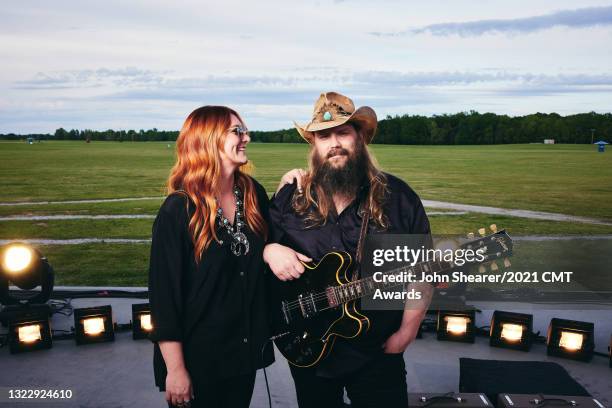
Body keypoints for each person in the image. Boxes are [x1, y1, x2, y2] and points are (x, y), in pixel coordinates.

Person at [264, 92, 433, 408]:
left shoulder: (398, 199)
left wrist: (405, 335)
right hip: (308, 348)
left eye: (343, 132)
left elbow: (421, 276)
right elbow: (257, 249)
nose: (334, 143)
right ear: (314, 144)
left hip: (378, 350)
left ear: (360, 137)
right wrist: (269, 249)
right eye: (324, 135)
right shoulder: (291, 197)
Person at [148, 106, 274, 408]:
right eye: (237, 131)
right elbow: (164, 300)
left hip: (242, 356)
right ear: (209, 139)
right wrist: (176, 370)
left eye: (245, 131)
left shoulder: (254, 194)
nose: (247, 138)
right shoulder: (178, 210)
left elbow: (274, 248)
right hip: (196, 362)